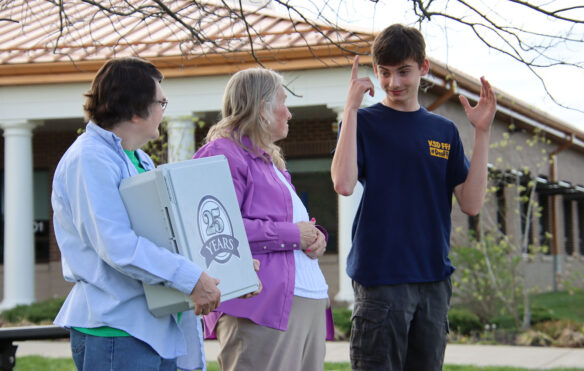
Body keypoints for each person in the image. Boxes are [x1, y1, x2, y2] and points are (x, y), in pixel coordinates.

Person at [331, 24, 497, 370]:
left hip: (433, 282)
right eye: (385, 72)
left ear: (423, 68)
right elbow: (343, 183)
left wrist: (481, 133)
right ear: (375, 72)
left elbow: (471, 203)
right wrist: (349, 109)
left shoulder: (444, 131)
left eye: (403, 71)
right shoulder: (364, 122)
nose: (394, 83)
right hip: (381, 281)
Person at [51, 57, 222, 371]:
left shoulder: (139, 157)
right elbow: (118, 246)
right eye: (160, 102)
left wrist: (222, 269)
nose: (162, 110)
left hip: (153, 326)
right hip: (116, 328)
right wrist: (191, 277)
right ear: (133, 109)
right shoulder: (89, 158)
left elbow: (164, 237)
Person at [194, 67, 334, 371]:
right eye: (283, 101)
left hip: (304, 298)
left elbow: (289, 221)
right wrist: (294, 235)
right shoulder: (223, 152)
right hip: (261, 305)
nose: (289, 113)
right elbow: (216, 231)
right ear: (262, 108)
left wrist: (316, 237)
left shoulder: (271, 162)